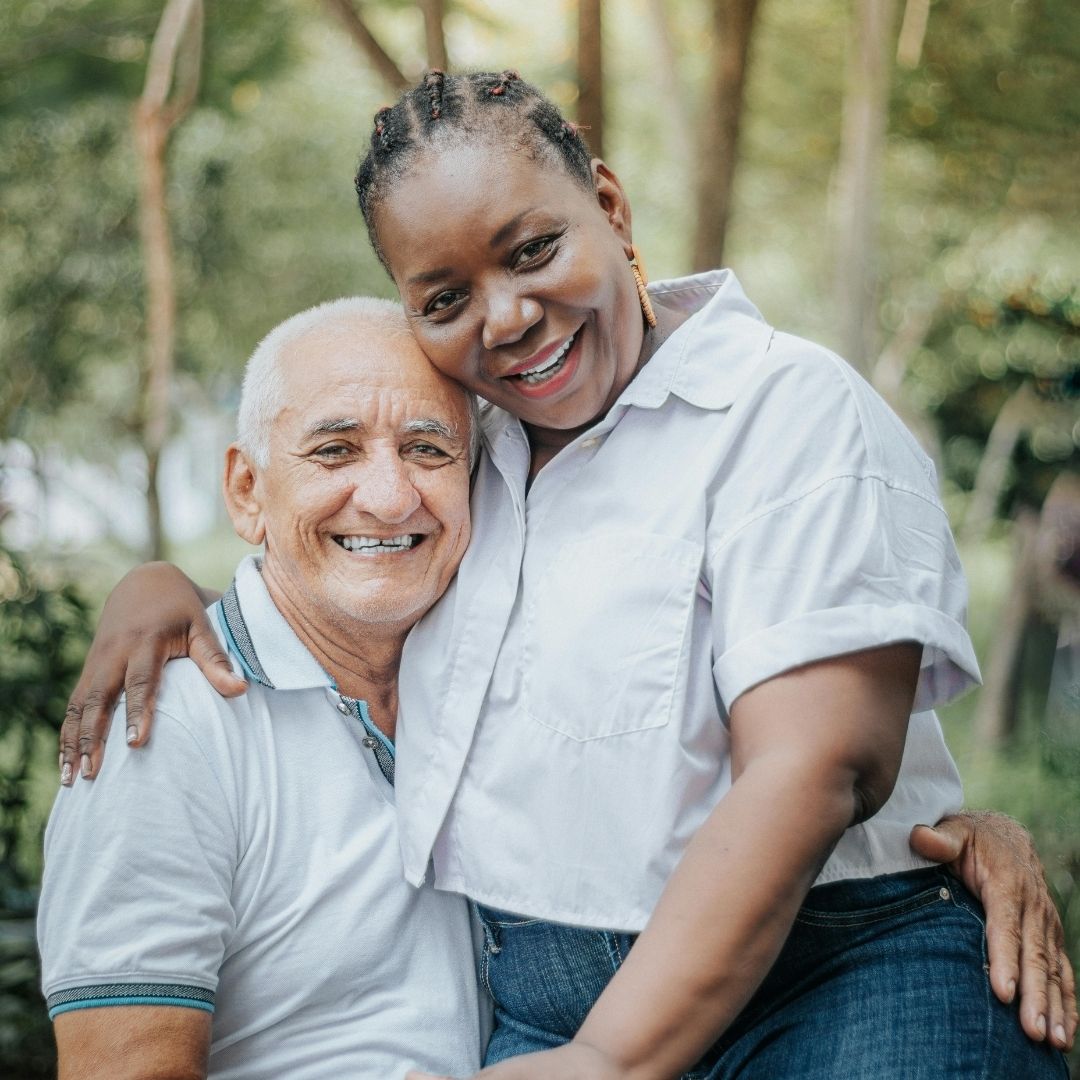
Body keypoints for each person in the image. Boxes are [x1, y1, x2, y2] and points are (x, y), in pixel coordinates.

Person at [59, 71, 1075, 1078]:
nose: (504, 319)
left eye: (535, 250)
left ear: (611, 205)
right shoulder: (473, 457)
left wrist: (608, 1059)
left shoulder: (786, 409)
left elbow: (819, 769)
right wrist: (164, 590)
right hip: (539, 1017)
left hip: (827, 981)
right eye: (448, 297)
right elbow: (335, 558)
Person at [38, 298, 487, 1079]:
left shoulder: (488, 674)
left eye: (428, 449)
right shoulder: (165, 728)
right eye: (336, 450)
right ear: (248, 490)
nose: (388, 496)